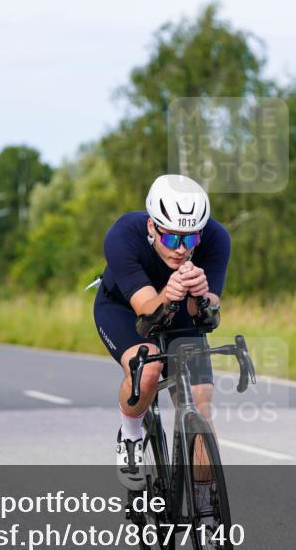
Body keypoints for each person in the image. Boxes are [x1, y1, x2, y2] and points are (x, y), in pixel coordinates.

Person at [93, 174, 230, 489]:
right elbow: (147, 315)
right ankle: (130, 436)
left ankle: (205, 503)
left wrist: (200, 297)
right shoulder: (123, 235)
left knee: (199, 401)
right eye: (171, 239)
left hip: (180, 308)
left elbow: (207, 319)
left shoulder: (216, 237)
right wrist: (169, 293)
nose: (181, 250)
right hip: (126, 308)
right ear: (152, 227)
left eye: (190, 239)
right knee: (149, 366)